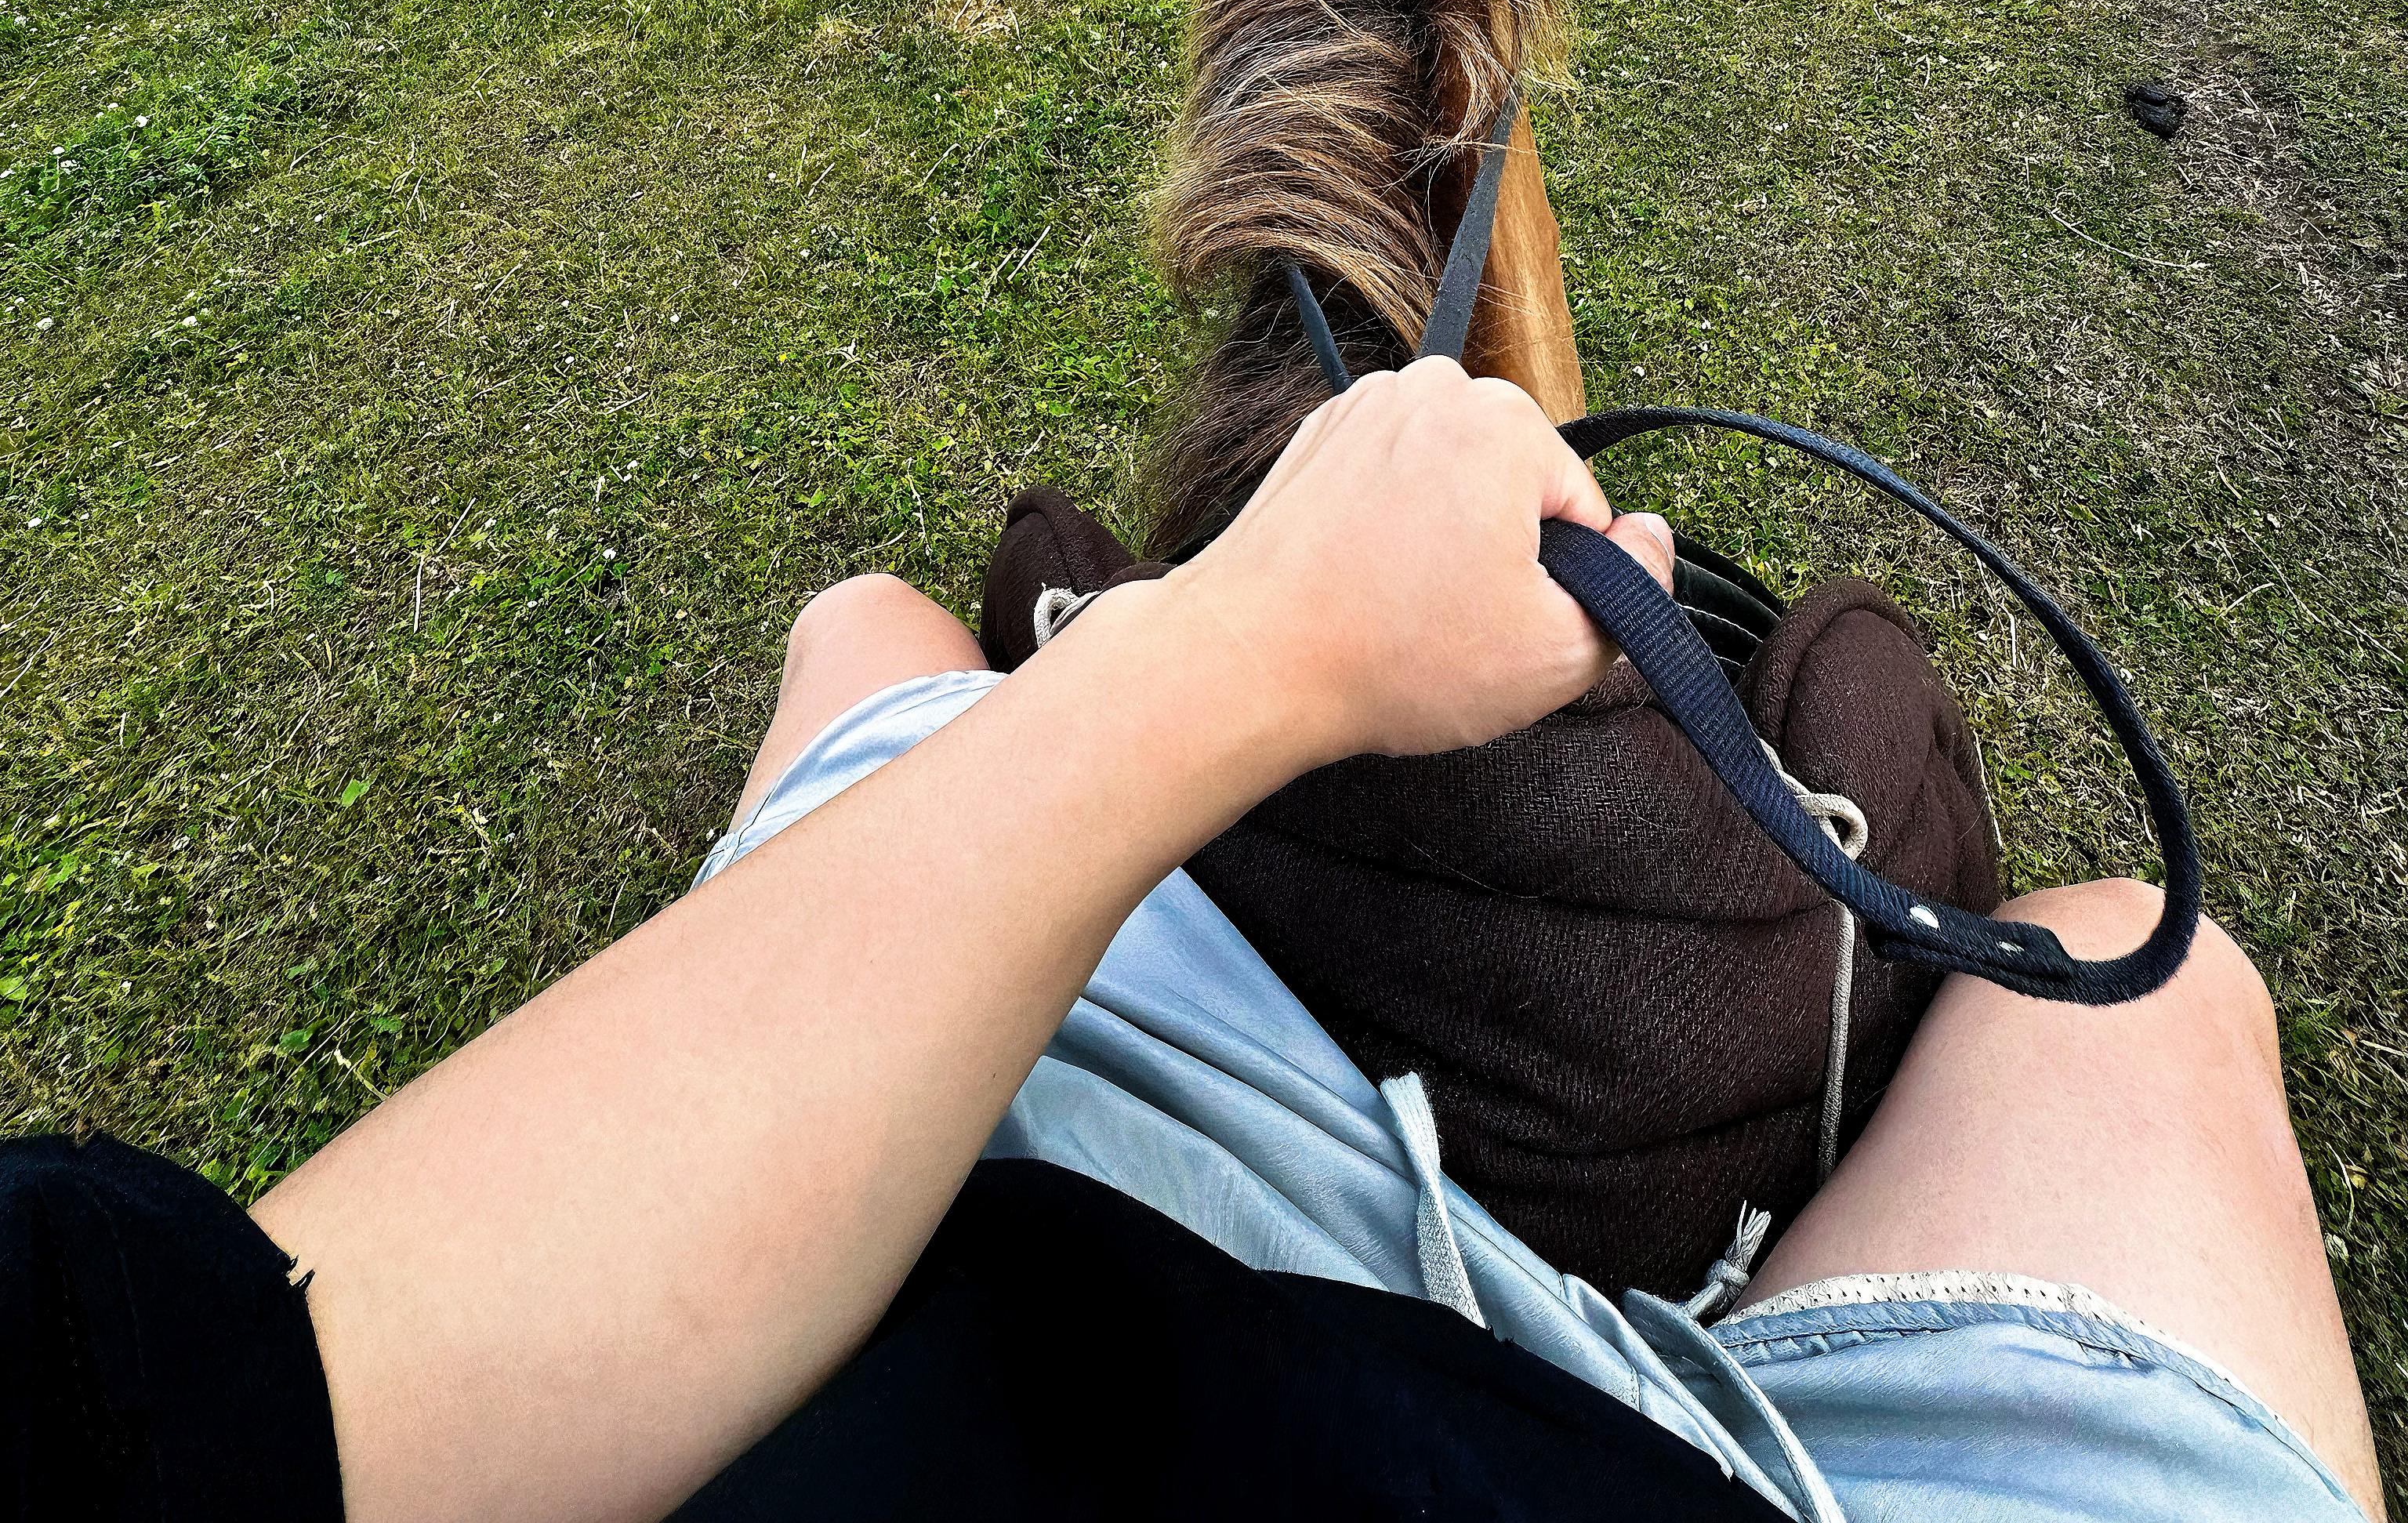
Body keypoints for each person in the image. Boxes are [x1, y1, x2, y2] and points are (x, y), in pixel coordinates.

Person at [9, 362, 2383, 1521]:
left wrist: (1234, 656)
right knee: (2134, 974)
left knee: (863, 627)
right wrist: (1282, 643)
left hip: (976, 1268)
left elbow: (268, 1397)